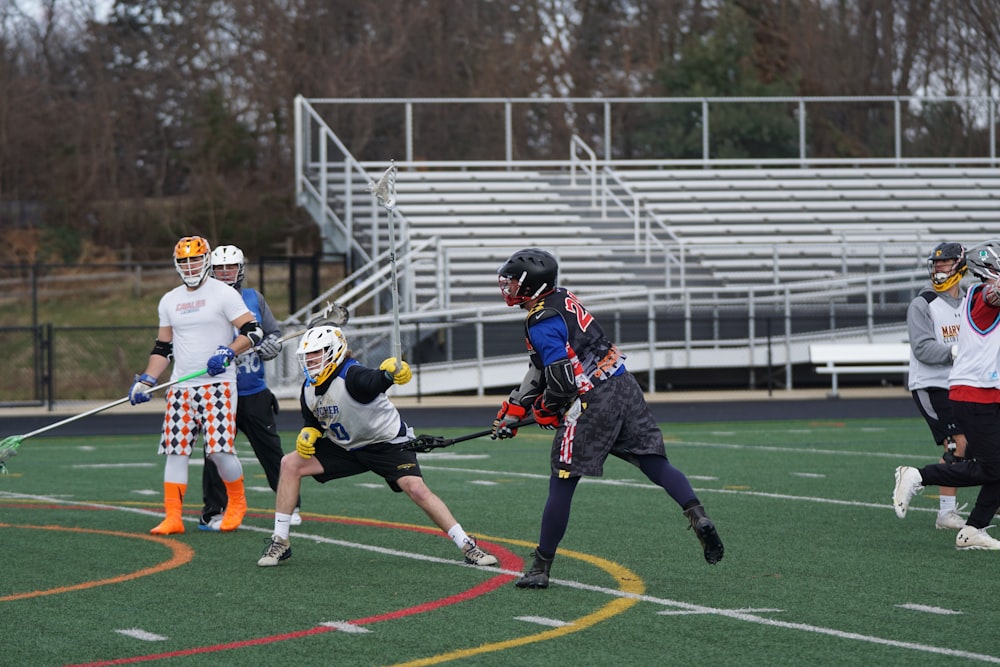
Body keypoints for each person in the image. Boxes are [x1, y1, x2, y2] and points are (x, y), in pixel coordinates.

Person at [491, 247, 724, 589]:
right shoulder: (562, 298)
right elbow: (544, 366)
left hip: (591, 399)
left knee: (563, 479)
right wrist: (516, 407)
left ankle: (540, 567)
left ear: (532, 285)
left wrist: (546, 408)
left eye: (512, 283)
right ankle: (697, 514)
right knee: (653, 461)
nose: (507, 288)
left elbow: (559, 377)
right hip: (622, 383)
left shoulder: (540, 320)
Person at [256, 325, 498, 568]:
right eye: (307, 356)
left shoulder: (352, 376)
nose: (310, 361)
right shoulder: (308, 388)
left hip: (386, 444)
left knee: (416, 489)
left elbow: (373, 381)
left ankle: (467, 545)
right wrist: (309, 432)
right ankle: (281, 541)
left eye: (316, 354)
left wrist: (389, 373)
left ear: (335, 351)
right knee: (289, 464)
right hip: (346, 447)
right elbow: (313, 421)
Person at [129, 236, 263, 535]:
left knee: (218, 452)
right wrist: (147, 380)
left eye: (195, 259)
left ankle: (237, 502)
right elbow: (163, 349)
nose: (190, 266)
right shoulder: (170, 300)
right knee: (176, 451)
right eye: (184, 261)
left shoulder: (224, 294)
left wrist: (228, 351)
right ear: (177, 264)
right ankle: (173, 517)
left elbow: (253, 332)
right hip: (180, 387)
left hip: (217, 385)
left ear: (206, 260)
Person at [894, 239, 1000, 550]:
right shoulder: (982, 295)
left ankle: (974, 528)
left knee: (992, 463)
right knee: (974, 455)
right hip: (968, 390)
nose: (938, 268)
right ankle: (920, 478)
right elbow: (995, 293)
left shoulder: (970, 295)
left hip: (984, 390)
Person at [199, 245, 301, 530]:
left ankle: (289, 505)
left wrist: (270, 347)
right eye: (219, 268)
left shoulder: (253, 298)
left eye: (230, 267)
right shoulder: (203, 302)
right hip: (217, 391)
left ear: (240, 269)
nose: (225, 273)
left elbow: (273, 334)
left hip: (253, 390)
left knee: (271, 451)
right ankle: (214, 509)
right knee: (215, 453)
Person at [905, 242, 969, 530]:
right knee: (958, 444)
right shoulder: (923, 303)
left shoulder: (971, 300)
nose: (939, 268)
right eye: (936, 263)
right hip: (931, 384)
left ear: (961, 265)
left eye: (946, 263)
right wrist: (957, 352)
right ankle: (945, 512)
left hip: (964, 383)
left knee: (985, 443)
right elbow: (922, 349)